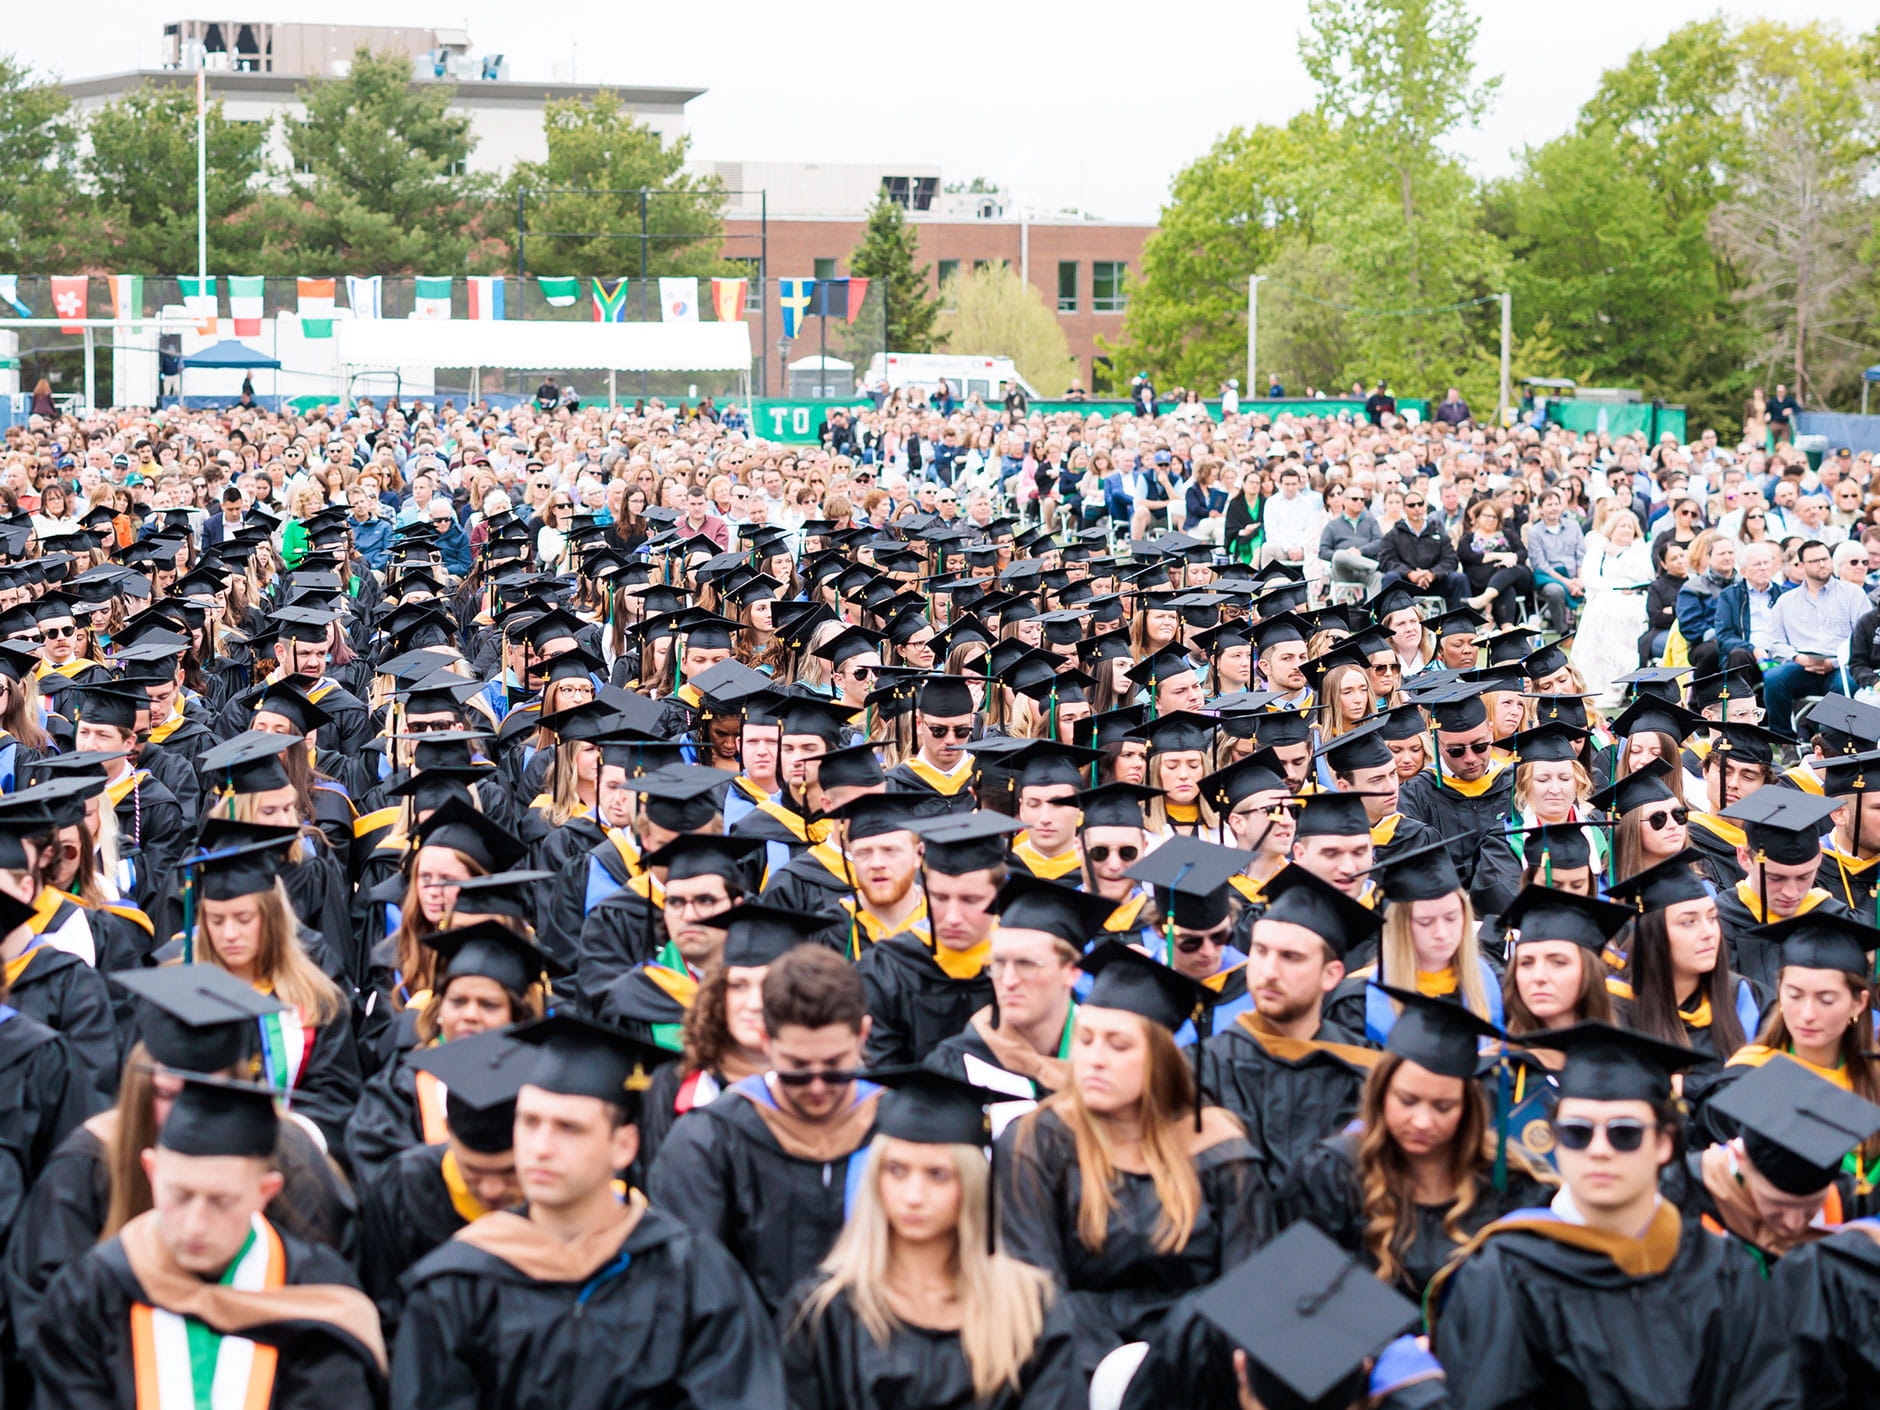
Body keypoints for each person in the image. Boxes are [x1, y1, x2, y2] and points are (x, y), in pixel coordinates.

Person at [392, 1012, 784, 1409]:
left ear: (624, 1145)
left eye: (569, 1128)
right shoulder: (456, 1285)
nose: (541, 1147)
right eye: (529, 1122)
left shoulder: (695, 1275)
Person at [1429, 1023, 1798, 1410]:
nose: (1599, 1150)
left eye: (1624, 1133)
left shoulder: (1724, 1270)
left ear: (1664, 1143)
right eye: (1577, 1132)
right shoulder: (1505, 1275)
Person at [996, 940, 1270, 1380]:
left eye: (1118, 1045)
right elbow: (1036, 1290)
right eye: (1085, 1039)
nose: (1095, 1060)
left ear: (1160, 1061)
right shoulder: (1037, 1142)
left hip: (1196, 1374)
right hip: (1072, 1372)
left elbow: (1246, 1293)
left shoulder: (1219, 1149)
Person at [29, 1075, 387, 1408]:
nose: (195, 1225)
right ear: (151, 1172)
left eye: (222, 1201)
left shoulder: (320, 1293)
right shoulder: (90, 1291)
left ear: (266, 1192)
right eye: (180, 1195)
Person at [779, 1069, 1076, 1410]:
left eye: (938, 1175)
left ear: (972, 1183)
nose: (914, 1196)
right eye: (897, 1170)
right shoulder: (823, 1313)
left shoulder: (1030, 1308)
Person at [648, 937, 881, 1313]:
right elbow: (689, 1286)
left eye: (835, 1064)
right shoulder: (708, 1141)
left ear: (863, 1035)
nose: (818, 1086)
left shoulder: (894, 1129)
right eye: (798, 1066)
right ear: (766, 1041)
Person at [1282, 987, 1555, 1299]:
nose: (1423, 1122)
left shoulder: (1513, 1184)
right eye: (1407, 1101)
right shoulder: (1330, 1175)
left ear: (1469, 1108)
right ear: (1381, 1092)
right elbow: (1297, 1293)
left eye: (1443, 1107)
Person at [1203, 866, 1384, 1181]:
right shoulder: (1203, 1069)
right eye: (1260, 952)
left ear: (1332, 974)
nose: (1269, 971)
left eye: (1291, 957)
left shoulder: (1369, 1073)